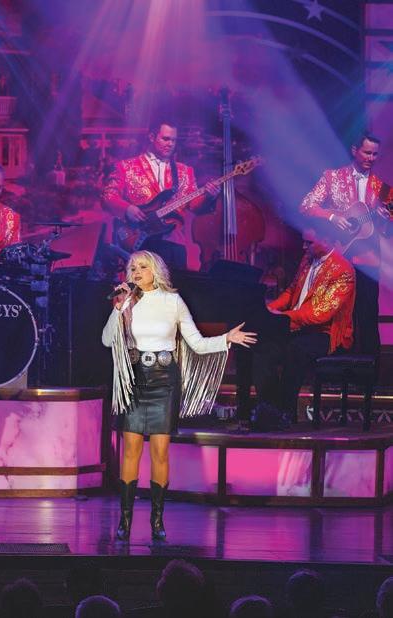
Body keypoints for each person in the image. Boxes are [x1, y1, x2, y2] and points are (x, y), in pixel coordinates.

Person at [102, 250, 257, 540]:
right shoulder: (127, 303)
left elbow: (196, 343)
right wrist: (118, 309)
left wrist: (226, 339)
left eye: (142, 267)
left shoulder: (172, 301)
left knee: (160, 451)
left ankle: (157, 520)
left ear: (155, 270)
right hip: (135, 380)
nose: (136, 272)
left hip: (164, 380)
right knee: (131, 449)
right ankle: (125, 520)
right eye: (132, 268)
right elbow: (107, 340)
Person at [300, 132, 393, 359]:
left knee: (367, 315)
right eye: (367, 152)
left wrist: (385, 219)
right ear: (354, 150)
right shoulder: (332, 178)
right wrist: (332, 217)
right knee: (333, 315)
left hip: (368, 261)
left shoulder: (383, 190)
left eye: (375, 154)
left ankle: (370, 371)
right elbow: (307, 205)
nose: (371, 158)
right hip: (337, 256)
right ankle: (330, 367)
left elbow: (388, 230)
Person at [252, 220, 355, 423]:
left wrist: (284, 317)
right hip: (298, 325)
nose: (303, 247)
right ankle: (269, 407)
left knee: (297, 349)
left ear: (325, 239)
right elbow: (292, 291)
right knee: (263, 347)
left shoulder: (343, 270)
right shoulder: (307, 260)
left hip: (326, 333)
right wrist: (270, 308)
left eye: (309, 242)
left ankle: (286, 411)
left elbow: (320, 314)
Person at [102, 118, 220, 269]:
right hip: (139, 241)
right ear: (152, 137)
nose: (170, 144)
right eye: (166, 139)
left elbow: (194, 205)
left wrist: (209, 197)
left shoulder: (185, 171)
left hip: (174, 243)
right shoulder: (126, 167)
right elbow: (108, 195)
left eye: (173, 140)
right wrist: (127, 208)